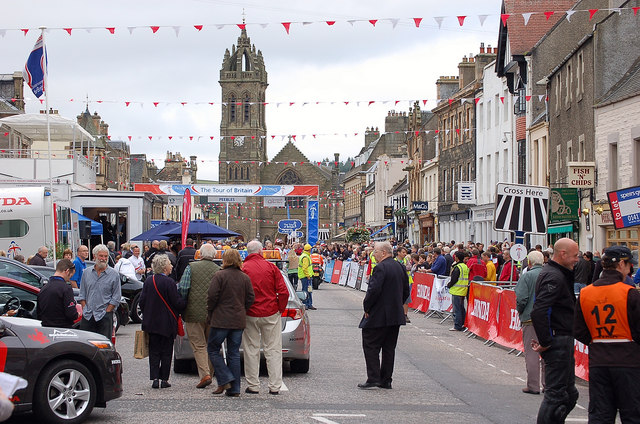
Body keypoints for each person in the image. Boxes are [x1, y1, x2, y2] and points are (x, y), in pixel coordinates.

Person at [574, 245, 640, 423]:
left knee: (600, 415)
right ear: (621, 265)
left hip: (599, 361)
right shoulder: (630, 294)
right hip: (628, 361)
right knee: (632, 414)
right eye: (629, 265)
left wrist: (597, 340)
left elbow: (579, 330)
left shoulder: (586, 293)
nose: (630, 269)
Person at [530, 238, 580, 424]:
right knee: (556, 395)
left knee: (569, 394)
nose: (577, 259)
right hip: (558, 340)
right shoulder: (554, 276)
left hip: (562, 338)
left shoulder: (558, 273)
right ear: (563, 254)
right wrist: (546, 341)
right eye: (575, 256)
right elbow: (539, 310)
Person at [358, 241, 409, 390]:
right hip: (395, 313)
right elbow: (406, 290)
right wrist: (397, 304)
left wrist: (367, 307)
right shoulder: (400, 267)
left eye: (375, 252)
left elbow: (373, 291)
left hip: (379, 314)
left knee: (371, 345)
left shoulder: (380, 268)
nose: (374, 254)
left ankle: (373, 377)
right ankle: (386, 379)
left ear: (384, 253)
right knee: (388, 348)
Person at [242, 240, 289, 395]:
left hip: (250, 313)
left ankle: (253, 385)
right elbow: (283, 292)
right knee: (273, 349)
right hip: (270, 311)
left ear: (247, 252)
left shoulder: (243, 268)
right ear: (261, 251)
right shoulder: (271, 267)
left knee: (251, 349)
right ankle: (275, 385)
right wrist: (279, 309)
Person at [207, 249, 255, 397]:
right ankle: (234, 389)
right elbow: (250, 298)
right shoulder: (244, 277)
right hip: (238, 319)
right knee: (233, 353)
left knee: (213, 349)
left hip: (221, 319)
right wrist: (242, 308)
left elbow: (212, 296)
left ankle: (225, 377)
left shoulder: (219, 275)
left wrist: (211, 312)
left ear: (225, 260)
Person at [139, 254, 186, 389]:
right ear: (165, 267)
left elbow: (142, 301)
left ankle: (154, 378)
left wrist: (148, 312)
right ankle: (164, 379)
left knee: (154, 351)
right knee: (166, 352)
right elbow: (176, 302)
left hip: (151, 322)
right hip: (167, 323)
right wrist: (185, 302)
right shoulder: (170, 283)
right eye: (170, 264)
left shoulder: (149, 281)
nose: (171, 267)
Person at [178, 243, 221, 389]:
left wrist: (184, 305)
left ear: (200, 254)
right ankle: (210, 372)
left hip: (193, 312)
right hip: (213, 314)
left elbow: (183, 288)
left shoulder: (191, 267)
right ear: (214, 255)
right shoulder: (218, 270)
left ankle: (205, 374)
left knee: (198, 345)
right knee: (211, 344)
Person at [515, 251, 545, 395]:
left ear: (530, 262)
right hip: (548, 319)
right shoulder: (550, 275)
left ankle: (533, 385)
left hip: (530, 317)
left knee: (532, 352)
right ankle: (548, 384)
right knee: (547, 352)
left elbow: (521, 298)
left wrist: (521, 311)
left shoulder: (527, 276)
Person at [77, 244, 121, 340]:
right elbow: (82, 294)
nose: (103, 259)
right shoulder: (86, 273)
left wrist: (108, 310)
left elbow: (116, 296)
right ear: (95, 256)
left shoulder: (114, 274)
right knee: (86, 345)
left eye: (105, 256)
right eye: (101, 256)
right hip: (88, 315)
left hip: (104, 316)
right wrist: (85, 308)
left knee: (104, 346)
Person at [36, 259, 78, 328]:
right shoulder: (66, 289)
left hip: (46, 329)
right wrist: (77, 314)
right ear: (67, 271)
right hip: (63, 329)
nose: (69, 279)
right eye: (70, 276)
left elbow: (39, 314)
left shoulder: (43, 289)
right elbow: (71, 314)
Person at [447, 251, 469, 332]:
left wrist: (448, 285)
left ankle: (457, 326)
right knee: (461, 308)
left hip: (457, 290)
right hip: (463, 290)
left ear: (457, 258)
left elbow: (454, 279)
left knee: (457, 309)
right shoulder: (465, 266)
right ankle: (463, 323)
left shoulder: (457, 267)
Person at [395, 247, 413, 323]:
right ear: (398, 253)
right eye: (403, 252)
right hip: (397, 283)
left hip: (406, 282)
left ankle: (405, 315)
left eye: (405, 252)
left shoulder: (406, 260)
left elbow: (410, 267)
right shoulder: (394, 261)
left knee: (406, 299)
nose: (405, 254)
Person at [298, 244, 316, 310]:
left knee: (307, 290)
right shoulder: (305, 257)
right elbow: (305, 268)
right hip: (306, 276)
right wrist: (308, 275)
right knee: (307, 291)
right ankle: (307, 304)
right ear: (309, 249)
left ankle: (308, 304)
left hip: (304, 276)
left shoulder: (304, 255)